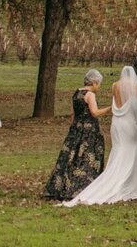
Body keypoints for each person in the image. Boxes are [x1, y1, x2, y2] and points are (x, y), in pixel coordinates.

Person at [63, 66, 137, 206]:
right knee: (131, 151)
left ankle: (119, 179)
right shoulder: (134, 85)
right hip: (127, 123)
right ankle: (130, 183)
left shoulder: (114, 85)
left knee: (118, 151)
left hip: (116, 123)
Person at [45, 69, 110, 200]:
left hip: (76, 128)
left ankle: (62, 185)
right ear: (93, 82)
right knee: (86, 158)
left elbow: (73, 113)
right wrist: (110, 109)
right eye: (98, 84)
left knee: (71, 156)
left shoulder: (77, 93)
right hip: (88, 131)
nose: (99, 87)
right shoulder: (90, 95)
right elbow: (94, 112)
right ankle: (82, 186)